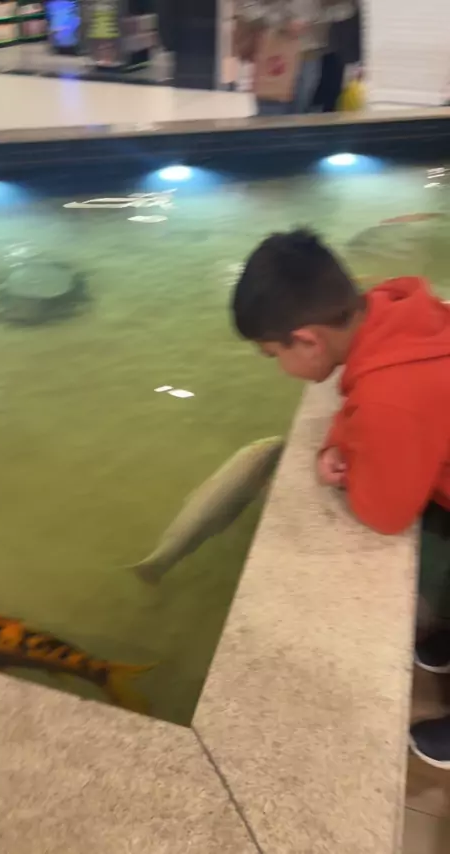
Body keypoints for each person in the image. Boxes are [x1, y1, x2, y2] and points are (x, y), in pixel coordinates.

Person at [231, 229, 450, 767]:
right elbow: (366, 406)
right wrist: (344, 438)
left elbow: (384, 513)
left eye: (272, 354)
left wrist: (351, 467)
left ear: (307, 340)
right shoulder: (396, 314)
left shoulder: (392, 396)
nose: (277, 366)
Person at [236, 1, 355, 116]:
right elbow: (248, 7)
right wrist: (282, 22)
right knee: (271, 114)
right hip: (276, 53)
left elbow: (346, 7)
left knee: (305, 115)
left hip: (311, 54)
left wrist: (314, 19)